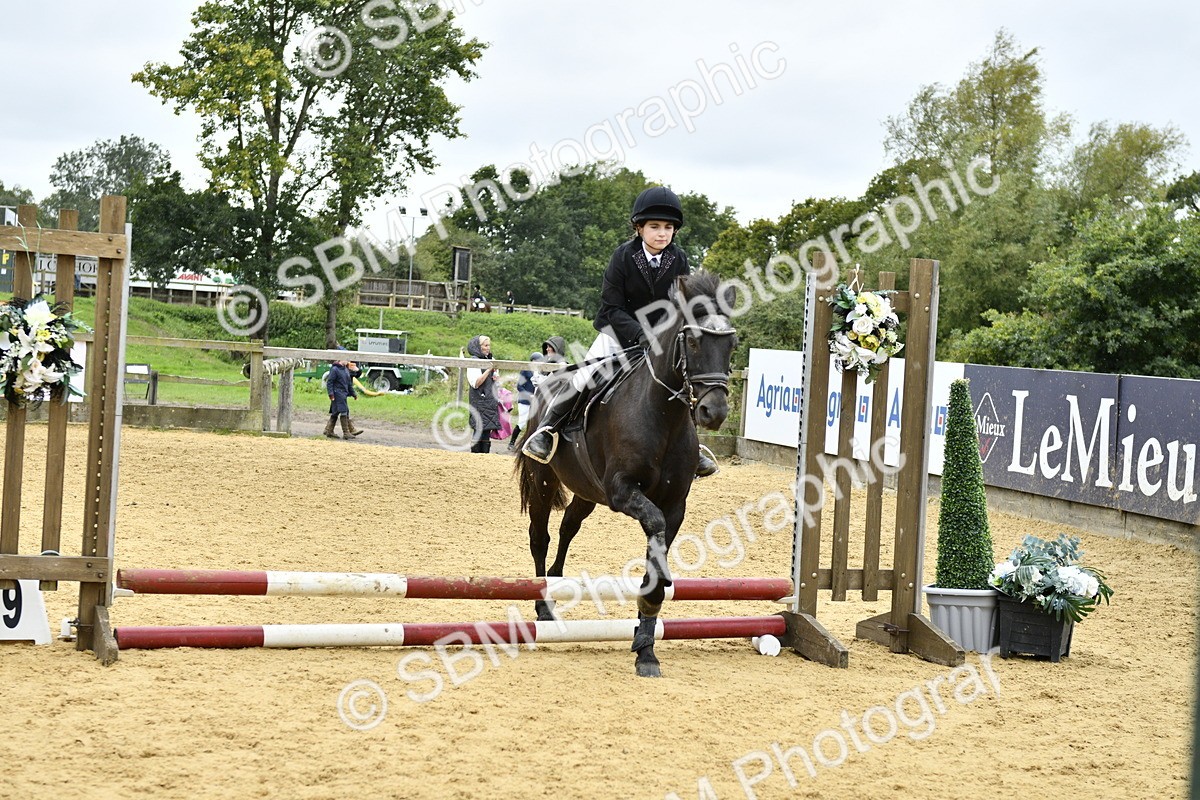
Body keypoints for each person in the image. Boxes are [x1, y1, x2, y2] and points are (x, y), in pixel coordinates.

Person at [522, 186, 719, 477]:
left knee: (682, 379)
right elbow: (612, 307)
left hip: (660, 340)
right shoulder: (623, 257)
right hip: (617, 333)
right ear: (639, 228)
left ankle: (694, 448)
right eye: (654, 227)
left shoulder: (679, 260)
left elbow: (682, 307)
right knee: (583, 377)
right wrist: (639, 334)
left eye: (668, 228)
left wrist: (667, 335)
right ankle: (547, 431)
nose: (662, 233)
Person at [465, 334, 501, 453]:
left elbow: (495, 380)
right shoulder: (473, 362)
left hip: (490, 400)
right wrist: (488, 370)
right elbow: (476, 383)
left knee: (487, 431)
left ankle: (485, 457)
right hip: (479, 400)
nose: (488, 348)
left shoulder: (491, 360)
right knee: (479, 429)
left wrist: (495, 377)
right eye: (485, 345)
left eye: (489, 345)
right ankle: (475, 456)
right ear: (478, 347)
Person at [324, 348, 364, 440]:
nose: (348, 361)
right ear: (340, 359)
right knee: (343, 411)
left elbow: (349, 383)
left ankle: (329, 430)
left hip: (343, 394)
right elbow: (330, 382)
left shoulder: (345, 369)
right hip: (337, 393)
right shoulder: (335, 369)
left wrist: (353, 393)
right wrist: (331, 394)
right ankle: (346, 432)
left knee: (336, 412)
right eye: (346, 359)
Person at [510, 351, 541, 451]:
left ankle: (530, 444)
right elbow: (519, 386)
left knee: (534, 423)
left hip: (536, 402)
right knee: (522, 422)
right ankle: (512, 442)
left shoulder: (541, 372)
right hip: (525, 401)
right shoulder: (526, 371)